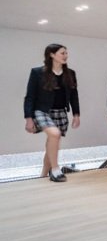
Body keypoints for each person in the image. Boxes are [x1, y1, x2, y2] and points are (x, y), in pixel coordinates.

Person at [23, 44, 81, 182]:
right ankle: (55, 170)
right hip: (42, 111)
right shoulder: (37, 72)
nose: (66, 55)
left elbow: (74, 95)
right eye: (62, 53)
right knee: (55, 134)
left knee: (53, 141)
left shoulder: (70, 73)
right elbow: (30, 96)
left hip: (60, 112)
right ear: (52, 55)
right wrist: (28, 118)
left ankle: (43, 174)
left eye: (66, 53)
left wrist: (76, 115)